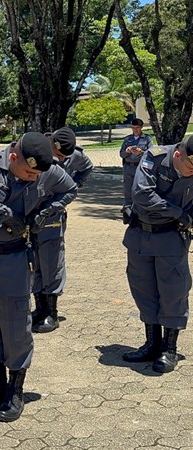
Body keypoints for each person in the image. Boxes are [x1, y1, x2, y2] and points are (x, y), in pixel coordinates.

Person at [0, 132, 77, 422]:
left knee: (16, 329)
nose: (31, 178)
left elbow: (70, 189)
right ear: (13, 157)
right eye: (27, 172)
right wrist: (7, 214)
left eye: (36, 175)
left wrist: (48, 211)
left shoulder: (45, 173)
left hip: (13, 261)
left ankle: (15, 390)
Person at [121, 135, 193, 374]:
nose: (191, 172)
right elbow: (142, 194)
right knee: (143, 289)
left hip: (172, 238)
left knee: (173, 291)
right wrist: (177, 212)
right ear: (177, 155)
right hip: (141, 235)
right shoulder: (154, 157)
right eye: (190, 166)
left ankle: (168, 349)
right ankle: (151, 344)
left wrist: (185, 217)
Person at [30, 128, 91, 332]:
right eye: (59, 155)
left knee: (52, 263)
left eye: (65, 157)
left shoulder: (75, 155)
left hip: (52, 217)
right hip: (30, 215)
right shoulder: (35, 149)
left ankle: (52, 313)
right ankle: (39, 308)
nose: (61, 159)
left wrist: (76, 183)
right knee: (34, 263)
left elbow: (87, 167)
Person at [120, 118, 153, 214]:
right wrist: (126, 151)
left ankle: (140, 207)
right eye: (133, 128)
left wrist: (141, 152)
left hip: (140, 167)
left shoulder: (147, 139)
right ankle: (128, 207)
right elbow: (121, 154)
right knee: (128, 188)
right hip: (128, 166)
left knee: (140, 187)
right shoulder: (127, 139)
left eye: (137, 128)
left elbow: (151, 153)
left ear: (141, 127)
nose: (135, 130)